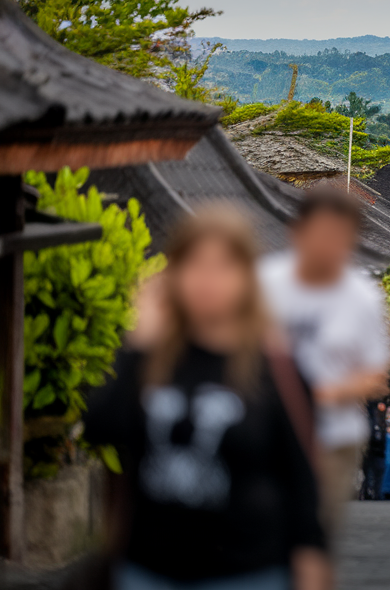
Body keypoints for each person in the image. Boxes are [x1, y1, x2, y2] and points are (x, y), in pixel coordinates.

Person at [85, 211, 330, 590]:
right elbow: (100, 428)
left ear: (247, 280)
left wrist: (312, 559)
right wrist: (138, 340)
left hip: (247, 570)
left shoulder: (276, 369)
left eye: (224, 267)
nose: (207, 281)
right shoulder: (154, 361)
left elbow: (301, 477)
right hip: (148, 567)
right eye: (194, 265)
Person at [259, 187, 390, 544]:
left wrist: (319, 394)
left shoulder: (362, 296)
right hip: (263, 431)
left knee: (313, 534)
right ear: (297, 231)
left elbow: (375, 375)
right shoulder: (264, 283)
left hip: (332, 436)